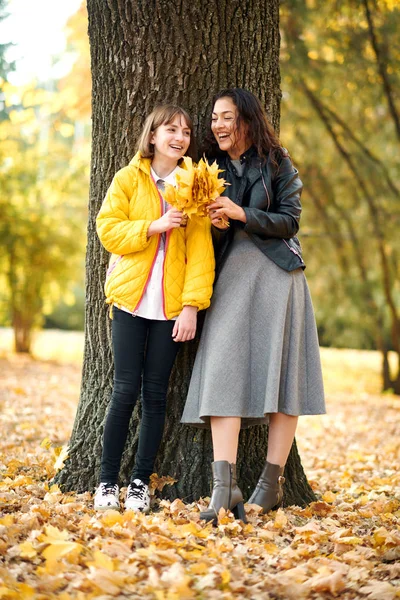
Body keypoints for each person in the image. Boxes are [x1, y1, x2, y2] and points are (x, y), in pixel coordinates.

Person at [181, 88, 325, 523]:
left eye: (226, 117)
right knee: (222, 368)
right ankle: (223, 487)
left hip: (280, 277)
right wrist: (220, 223)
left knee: (285, 379)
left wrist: (241, 213)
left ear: (246, 119)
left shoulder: (278, 162)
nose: (218, 126)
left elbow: (290, 220)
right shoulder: (211, 168)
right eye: (213, 119)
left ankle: (270, 484)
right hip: (231, 279)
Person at [94, 104, 215, 512]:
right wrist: (152, 226)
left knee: (156, 395)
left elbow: (201, 253)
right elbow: (107, 229)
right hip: (129, 301)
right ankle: (107, 483)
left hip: (170, 310)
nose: (179, 137)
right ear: (152, 136)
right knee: (124, 390)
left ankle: (140, 484)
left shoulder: (195, 185)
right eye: (171, 129)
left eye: (185, 131)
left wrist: (191, 307)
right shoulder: (128, 178)